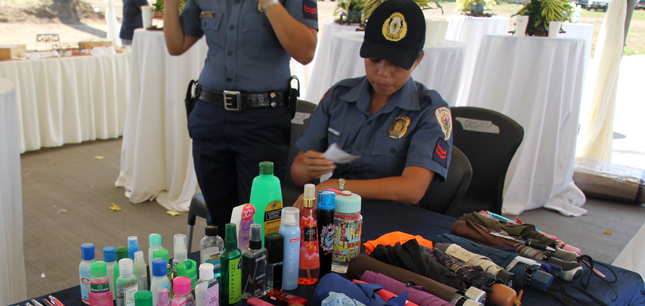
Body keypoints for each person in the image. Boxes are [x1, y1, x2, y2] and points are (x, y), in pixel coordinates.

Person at [162, 0, 319, 236]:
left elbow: (306, 52)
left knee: (259, 223)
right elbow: (176, 45)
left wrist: (270, 4)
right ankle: (224, 270)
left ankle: (257, 273)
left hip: (262, 119)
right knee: (219, 221)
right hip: (210, 115)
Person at [291, 0, 452, 207]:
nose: (383, 73)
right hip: (334, 215)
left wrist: (336, 186)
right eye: (374, 59)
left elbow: (412, 189)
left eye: (396, 64)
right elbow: (297, 172)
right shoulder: (339, 97)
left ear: (417, 59)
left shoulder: (429, 109)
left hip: (392, 224)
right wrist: (308, 169)